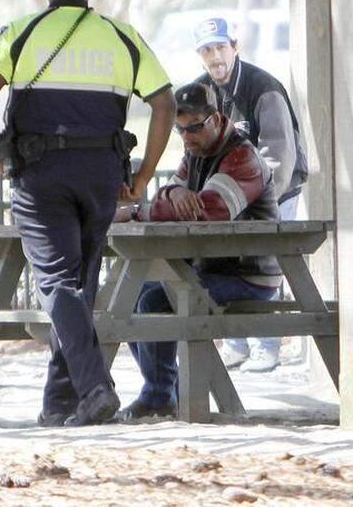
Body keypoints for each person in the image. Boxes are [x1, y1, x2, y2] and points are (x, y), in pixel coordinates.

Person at [0, 0, 175, 427]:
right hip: (102, 173)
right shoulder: (122, 37)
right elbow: (164, 103)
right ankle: (61, 402)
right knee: (79, 286)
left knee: (57, 283)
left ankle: (95, 387)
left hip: (41, 175)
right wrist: (142, 178)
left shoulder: (19, 34)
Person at [116, 81, 281, 420]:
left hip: (249, 276)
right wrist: (173, 196)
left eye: (194, 128)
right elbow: (172, 193)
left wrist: (138, 211)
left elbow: (210, 209)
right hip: (211, 269)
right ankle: (164, 392)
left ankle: (160, 396)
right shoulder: (196, 153)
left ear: (217, 119)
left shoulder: (242, 156)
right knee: (132, 295)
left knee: (153, 301)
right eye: (180, 130)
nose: (187, 137)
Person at [192, 16, 307, 372]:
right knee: (220, 263)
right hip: (228, 199)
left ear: (235, 47)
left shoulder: (264, 88)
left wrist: (246, 200)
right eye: (207, 50)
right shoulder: (198, 93)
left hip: (275, 192)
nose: (215, 56)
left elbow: (279, 156)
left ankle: (266, 344)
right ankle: (236, 343)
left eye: (221, 47)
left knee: (262, 261)